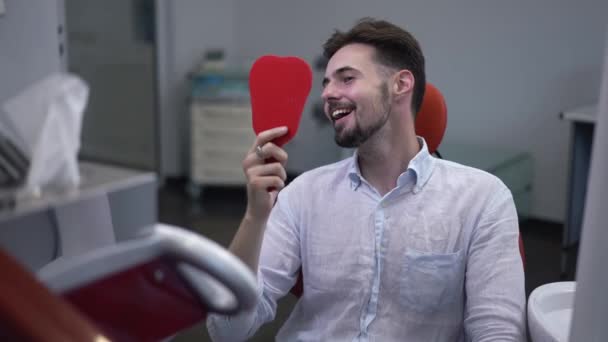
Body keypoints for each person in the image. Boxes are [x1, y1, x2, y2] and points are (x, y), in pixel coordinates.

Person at [207, 18, 526, 341]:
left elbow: (497, 332)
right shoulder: (303, 194)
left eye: (346, 79)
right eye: (327, 83)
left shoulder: (482, 199)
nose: (328, 94)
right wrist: (255, 216)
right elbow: (227, 331)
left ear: (401, 84)